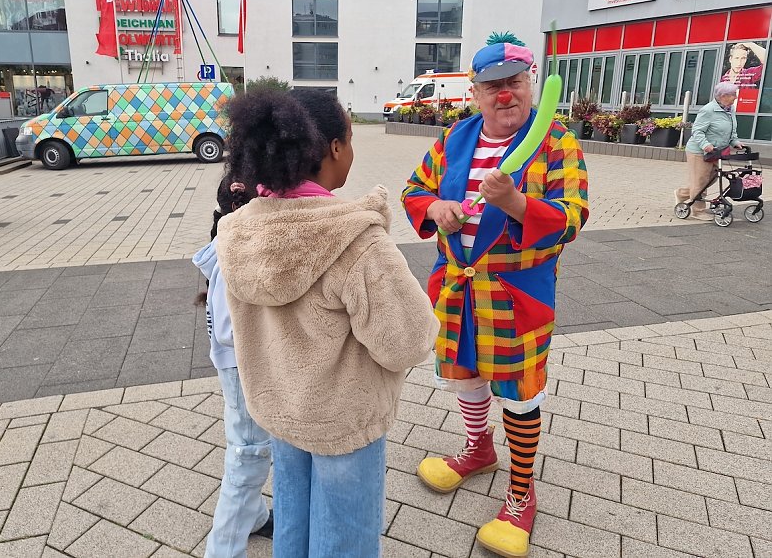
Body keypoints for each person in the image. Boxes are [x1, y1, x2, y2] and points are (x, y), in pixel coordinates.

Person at [215, 88, 439, 557]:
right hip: (342, 419)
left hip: (280, 410)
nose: (353, 150)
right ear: (334, 148)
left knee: (294, 524)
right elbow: (408, 341)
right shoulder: (356, 242)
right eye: (351, 138)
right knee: (343, 539)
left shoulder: (237, 230)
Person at [401, 35, 589, 558]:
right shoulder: (454, 138)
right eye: (492, 87)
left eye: (514, 83)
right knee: (466, 376)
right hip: (458, 289)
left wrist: (518, 204)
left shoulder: (555, 141)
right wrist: (436, 207)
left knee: (519, 391)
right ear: (476, 92)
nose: (505, 96)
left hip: (515, 293)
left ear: (530, 84)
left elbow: (573, 215)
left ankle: (521, 493)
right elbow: (413, 189)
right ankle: (478, 450)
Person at [193, 175, 273, 558]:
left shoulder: (230, 245)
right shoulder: (234, 259)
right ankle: (223, 549)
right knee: (249, 452)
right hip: (243, 368)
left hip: (241, 368)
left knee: (246, 442)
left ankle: (253, 514)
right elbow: (228, 331)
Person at [675, 81, 744, 221]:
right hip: (699, 151)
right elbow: (697, 131)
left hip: (717, 152)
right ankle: (698, 210)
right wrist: (705, 144)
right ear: (723, 96)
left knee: (710, 179)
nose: (735, 98)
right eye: (733, 95)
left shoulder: (729, 110)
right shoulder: (708, 110)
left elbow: (731, 130)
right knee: (700, 181)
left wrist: (735, 141)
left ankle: (682, 194)